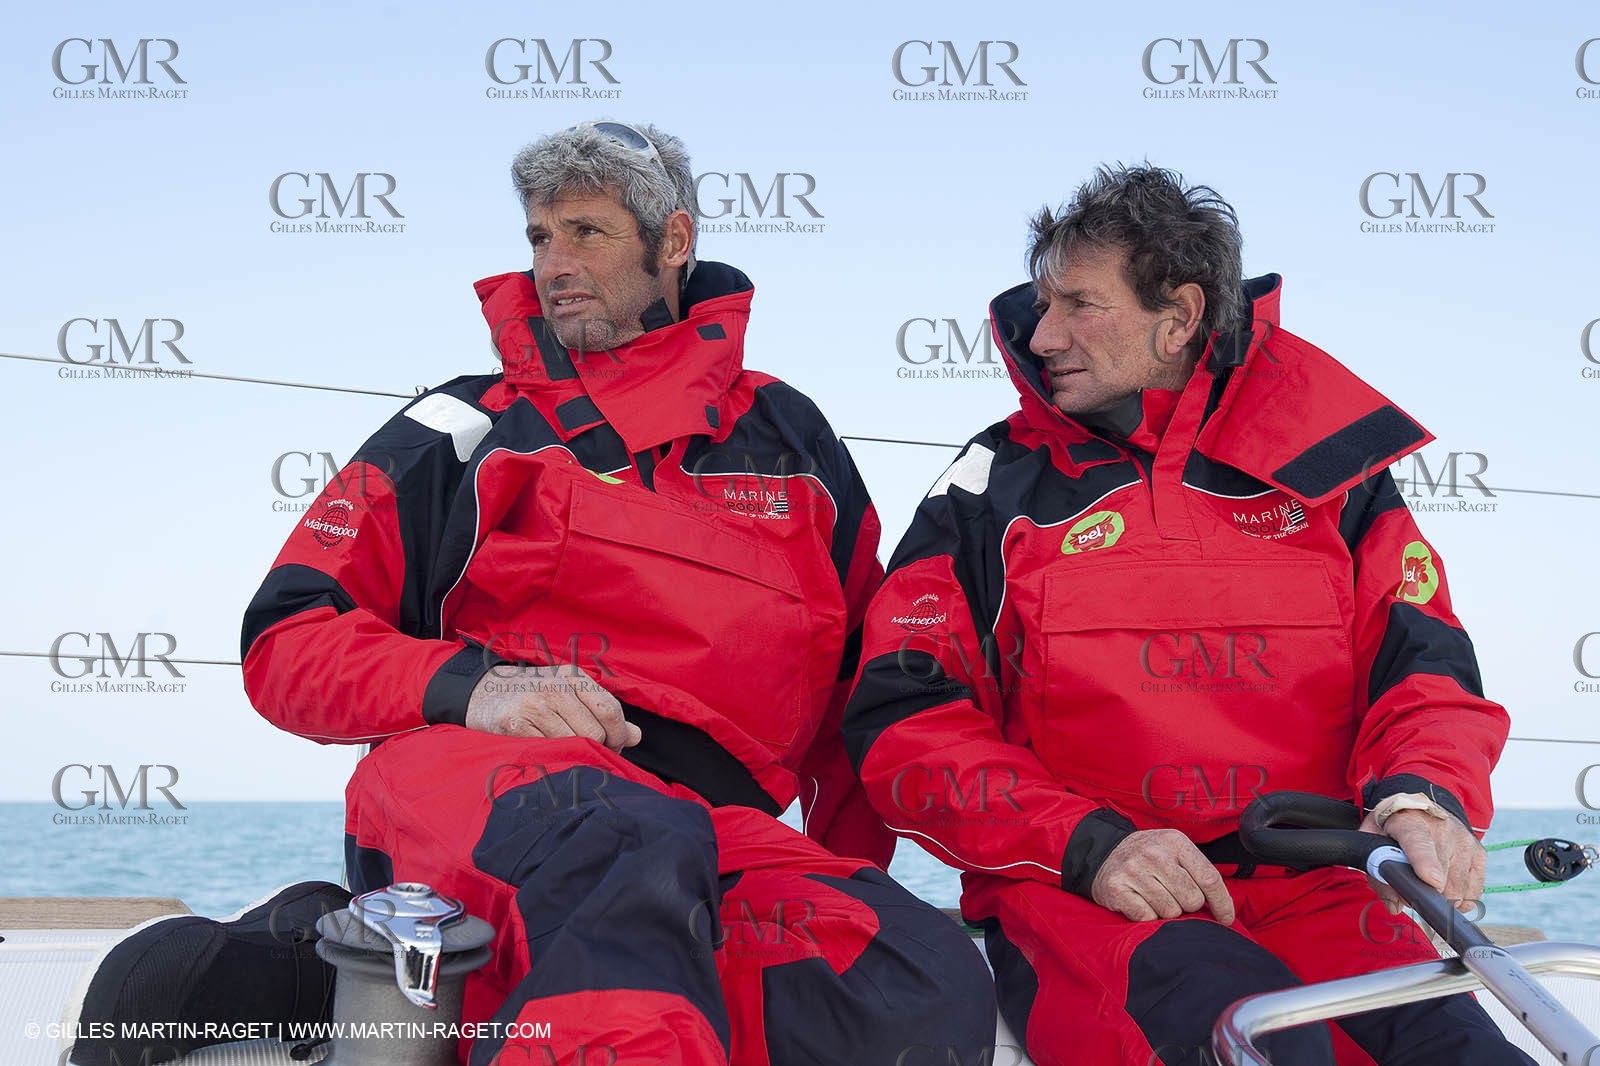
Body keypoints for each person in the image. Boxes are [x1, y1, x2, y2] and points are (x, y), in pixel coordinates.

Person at [230, 121, 994, 1065]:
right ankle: (328, 959)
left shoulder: (795, 443)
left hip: (716, 833)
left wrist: (839, 878)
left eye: (586, 233)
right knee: (633, 853)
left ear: (672, 244)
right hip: (486, 780)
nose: (554, 262)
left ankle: (326, 966)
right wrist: (473, 687)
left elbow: (858, 695)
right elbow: (286, 641)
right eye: (539, 237)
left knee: (909, 977)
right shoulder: (466, 426)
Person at [841, 164, 1533, 1066]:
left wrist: (1425, 797)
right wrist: (1088, 846)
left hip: (1321, 891)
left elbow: (1425, 668)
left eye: (1078, 304)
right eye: (1042, 304)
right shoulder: (992, 489)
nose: (1040, 333)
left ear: (1178, 316)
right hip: (1093, 899)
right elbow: (904, 718)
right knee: (1257, 1042)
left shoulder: (1332, 472)